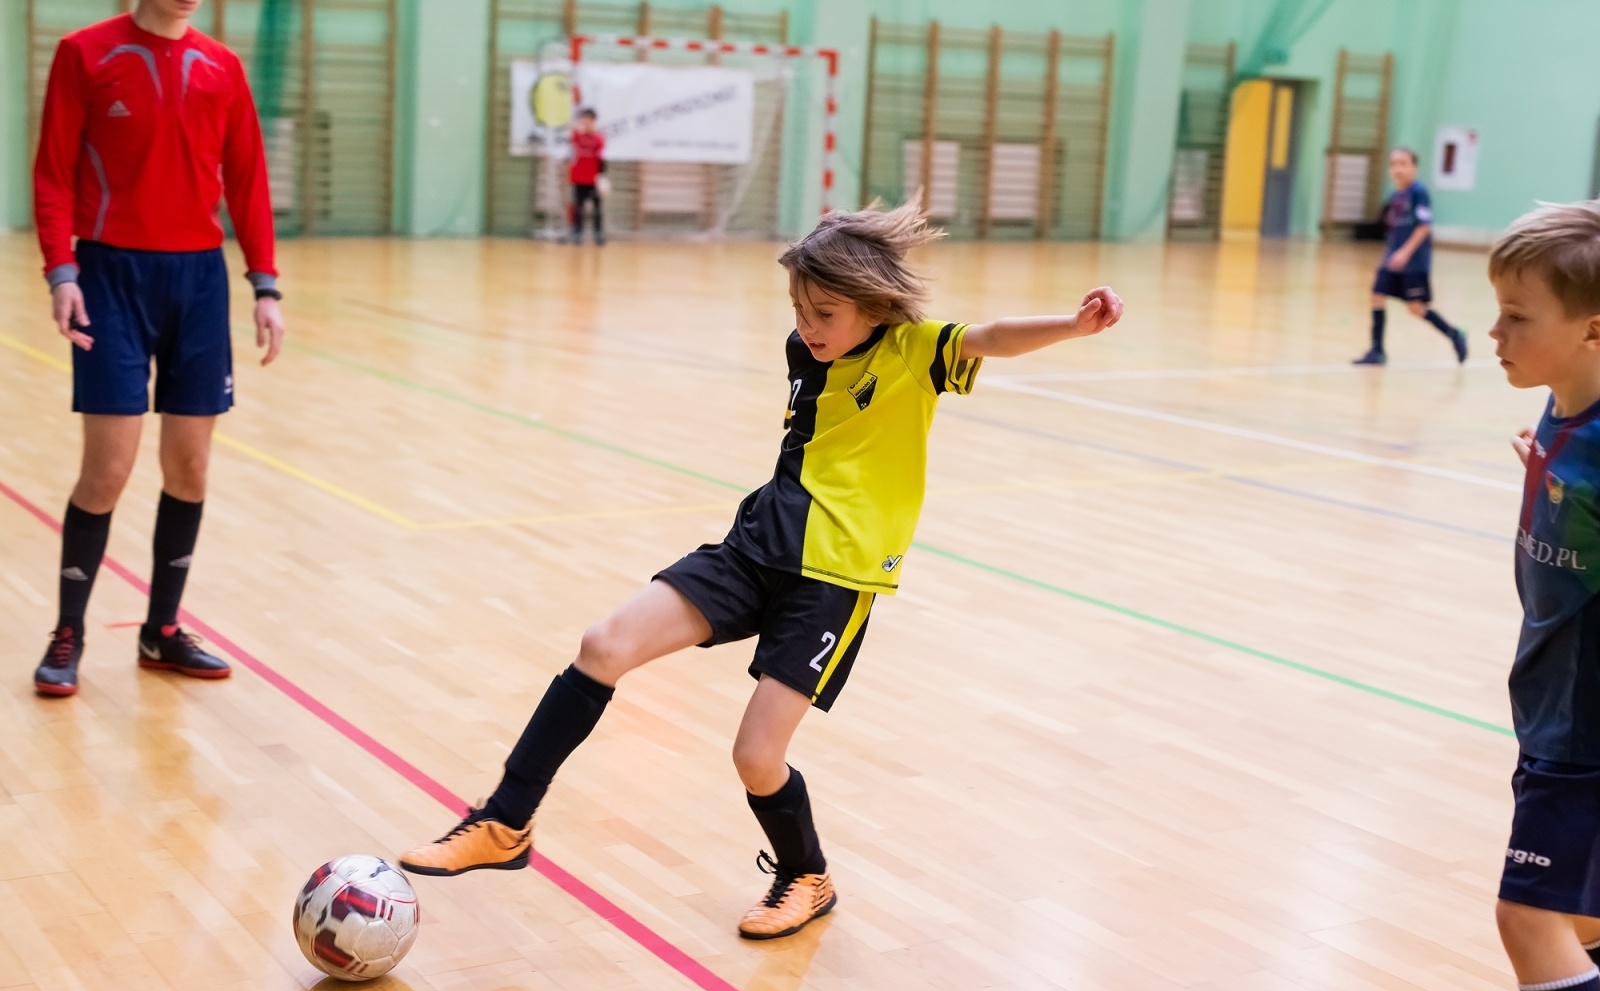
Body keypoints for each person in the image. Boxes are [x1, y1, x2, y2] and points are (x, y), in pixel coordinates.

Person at [399, 200, 1124, 939]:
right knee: (603, 644)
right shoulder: (805, 352)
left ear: (875, 307)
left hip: (833, 580)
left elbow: (990, 337)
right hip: (753, 548)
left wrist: (1073, 325)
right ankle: (505, 822)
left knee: (755, 755)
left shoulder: (913, 352)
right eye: (799, 310)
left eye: (825, 313)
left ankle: (806, 875)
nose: (808, 327)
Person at [31, 0, 285, 697]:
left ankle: (162, 630)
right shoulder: (85, 53)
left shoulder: (223, 67)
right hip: (109, 277)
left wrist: (264, 282)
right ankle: (68, 631)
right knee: (107, 469)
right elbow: (53, 173)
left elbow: (247, 176)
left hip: (198, 282)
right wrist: (61, 271)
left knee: (191, 467)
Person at [1496, 199, 1600, 991]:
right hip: (1554, 710)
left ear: (1592, 329)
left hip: (1585, 732)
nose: (1496, 333)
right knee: (1586, 916)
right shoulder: (1565, 415)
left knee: (1530, 918)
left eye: (1518, 317)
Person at [1354, 147, 1468, 366]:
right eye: (1394, 164)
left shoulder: (1418, 192)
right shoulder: (1395, 196)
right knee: (1377, 296)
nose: (1398, 169)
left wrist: (1404, 253)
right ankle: (1377, 351)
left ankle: (1454, 334)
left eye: (1403, 163)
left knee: (1415, 308)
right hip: (1391, 260)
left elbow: (1424, 227)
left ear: (1414, 167)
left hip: (1413, 263)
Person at [567, 107, 605, 245]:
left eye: (589, 121)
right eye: (584, 120)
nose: (586, 123)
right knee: (578, 207)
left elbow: (601, 159)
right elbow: (571, 135)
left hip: (593, 179)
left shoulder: (598, 138)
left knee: (597, 208)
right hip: (578, 178)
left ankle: (598, 233)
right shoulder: (577, 136)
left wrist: (602, 177)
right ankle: (577, 232)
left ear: (594, 122)